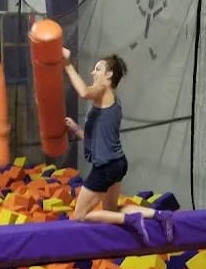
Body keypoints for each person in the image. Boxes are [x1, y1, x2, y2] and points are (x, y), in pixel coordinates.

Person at [63, 48, 174, 243]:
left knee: (80, 214)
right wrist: (75, 129)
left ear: (109, 74)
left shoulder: (104, 90)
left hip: (106, 166)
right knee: (111, 211)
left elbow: (82, 92)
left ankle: (130, 219)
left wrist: (67, 64)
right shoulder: (108, 100)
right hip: (117, 163)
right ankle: (158, 215)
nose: (93, 72)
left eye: (98, 69)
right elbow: (94, 140)